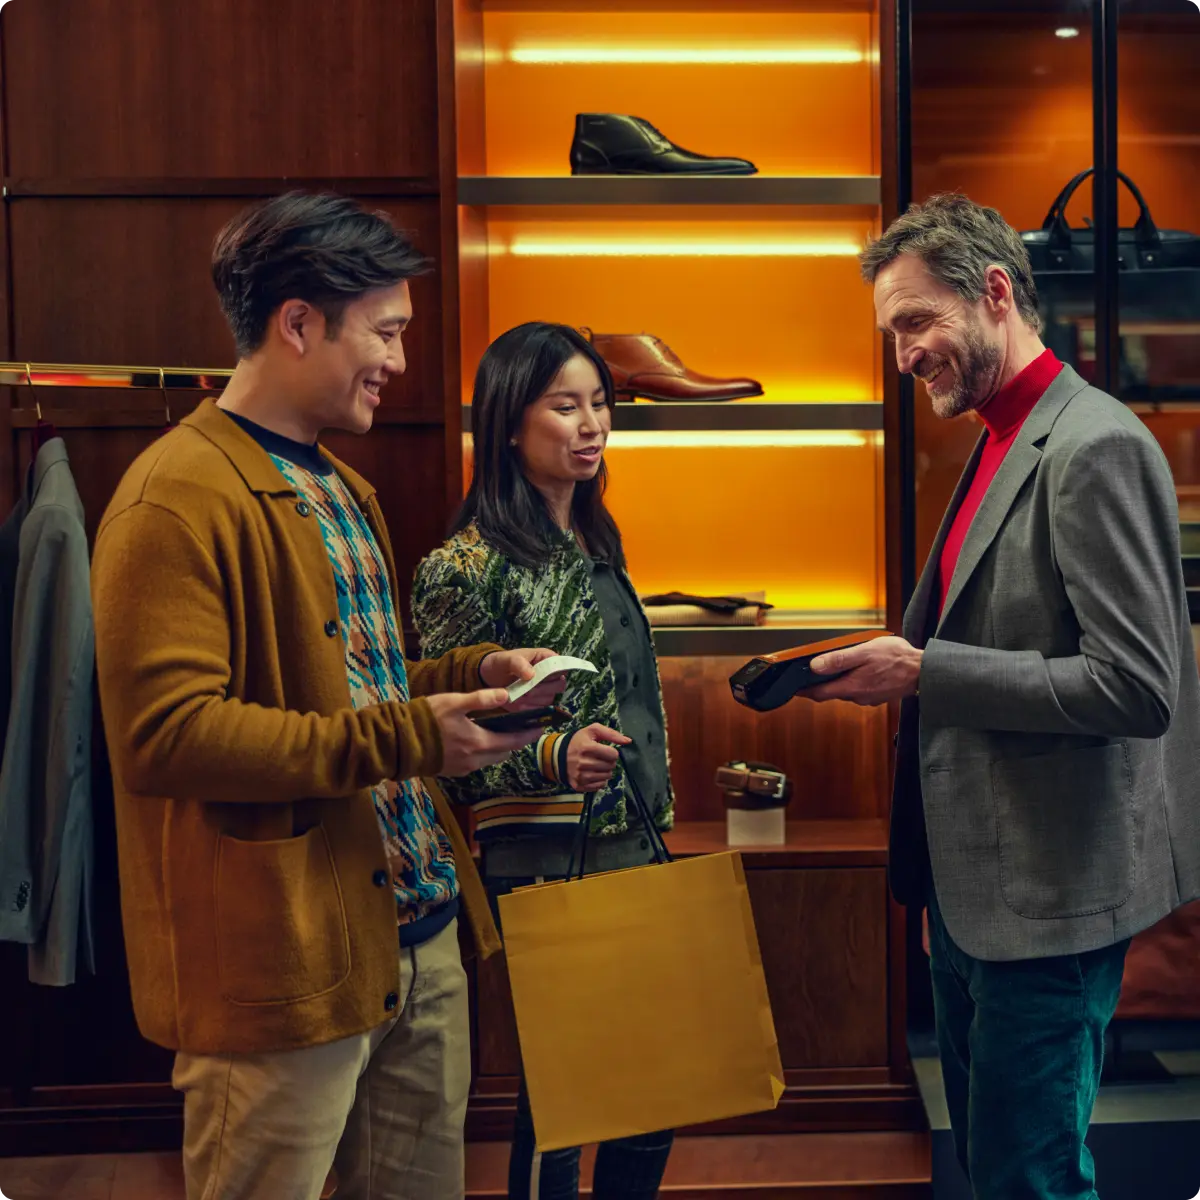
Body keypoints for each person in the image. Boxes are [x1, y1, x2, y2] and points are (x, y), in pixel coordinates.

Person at [91, 192, 567, 1200]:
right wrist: (411, 733)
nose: (399, 360)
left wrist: (472, 678)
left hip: (419, 935)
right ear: (300, 322)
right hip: (282, 972)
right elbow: (166, 738)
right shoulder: (172, 496)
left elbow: (359, 693)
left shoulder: (345, 490)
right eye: (385, 332)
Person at [803, 193, 1200, 1199]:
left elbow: (1139, 686)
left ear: (993, 293)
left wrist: (925, 671)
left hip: (1050, 910)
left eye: (915, 325)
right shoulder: (996, 439)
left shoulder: (1095, 446)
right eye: (893, 334)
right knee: (1000, 1171)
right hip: (978, 898)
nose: (903, 357)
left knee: (1032, 1179)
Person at [411, 321, 676, 1200]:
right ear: (508, 423)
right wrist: (555, 755)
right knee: (567, 1096)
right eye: (566, 405)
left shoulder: (602, 544)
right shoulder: (465, 566)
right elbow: (443, 744)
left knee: (651, 1087)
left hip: (633, 843)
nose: (592, 423)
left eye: (599, 403)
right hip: (541, 854)